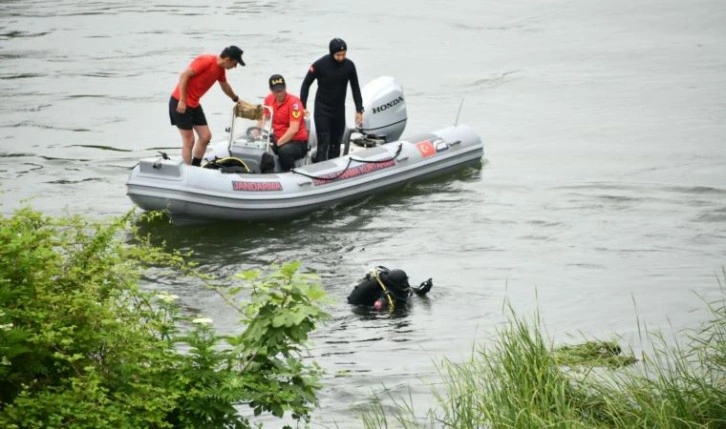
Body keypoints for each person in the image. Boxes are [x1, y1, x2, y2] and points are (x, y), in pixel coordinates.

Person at [169, 45, 246, 166]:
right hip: (179, 102)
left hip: (194, 104)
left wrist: (236, 99)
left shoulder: (220, 70)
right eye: (235, 63)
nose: (234, 67)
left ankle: (195, 166)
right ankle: (187, 171)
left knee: (206, 136)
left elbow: (225, 86)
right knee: (189, 141)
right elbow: (184, 75)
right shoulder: (206, 61)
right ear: (228, 59)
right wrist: (183, 100)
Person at [300, 38, 364, 162]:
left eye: (343, 54)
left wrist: (359, 110)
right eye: (338, 55)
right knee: (324, 143)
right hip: (322, 110)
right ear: (331, 53)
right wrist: (303, 106)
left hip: (339, 110)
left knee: (336, 144)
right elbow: (306, 84)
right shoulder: (320, 65)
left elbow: (355, 88)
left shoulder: (349, 66)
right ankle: (319, 169)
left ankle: (334, 171)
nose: (341, 57)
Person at [259, 74, 309, 172]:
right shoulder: (269, 100)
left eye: (281, 90)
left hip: (297, 142)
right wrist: (256, 132)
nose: (280, 94)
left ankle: (290, 172)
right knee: (261, 148)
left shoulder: (294, 103)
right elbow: (263, 117)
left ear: (285, 88)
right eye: (276, 91)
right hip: (278, 137)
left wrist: (278, 143)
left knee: (284, 152)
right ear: (271, 90)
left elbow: (293, 129)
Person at [347, 267, 433, 311]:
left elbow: (410, 291)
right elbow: (352, 303)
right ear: (394, 285)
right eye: (402, 286)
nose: (406, 287)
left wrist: (423, 290)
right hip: (360, 305)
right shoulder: (381, 291)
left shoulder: (400, 285)